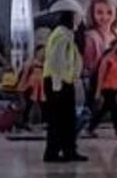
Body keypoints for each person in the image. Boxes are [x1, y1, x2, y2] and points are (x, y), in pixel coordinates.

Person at [36, 11, 85, 162]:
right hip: (57, 83)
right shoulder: (61, 35)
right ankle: (53, 152)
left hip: (64, 82)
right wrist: (58, 84)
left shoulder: (66, 35)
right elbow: (56, 60)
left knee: (67, 120)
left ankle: (69, 150)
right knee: (58, 120)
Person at [83, 0, 117, 135]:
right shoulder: (91, 37)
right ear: (92, 13)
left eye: (109, 12)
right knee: (108, 107)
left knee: (108, 107)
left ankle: (91, 128)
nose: (105, 17)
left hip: (115, 81)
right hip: (100, 81)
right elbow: (89, 65)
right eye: (99, 12)